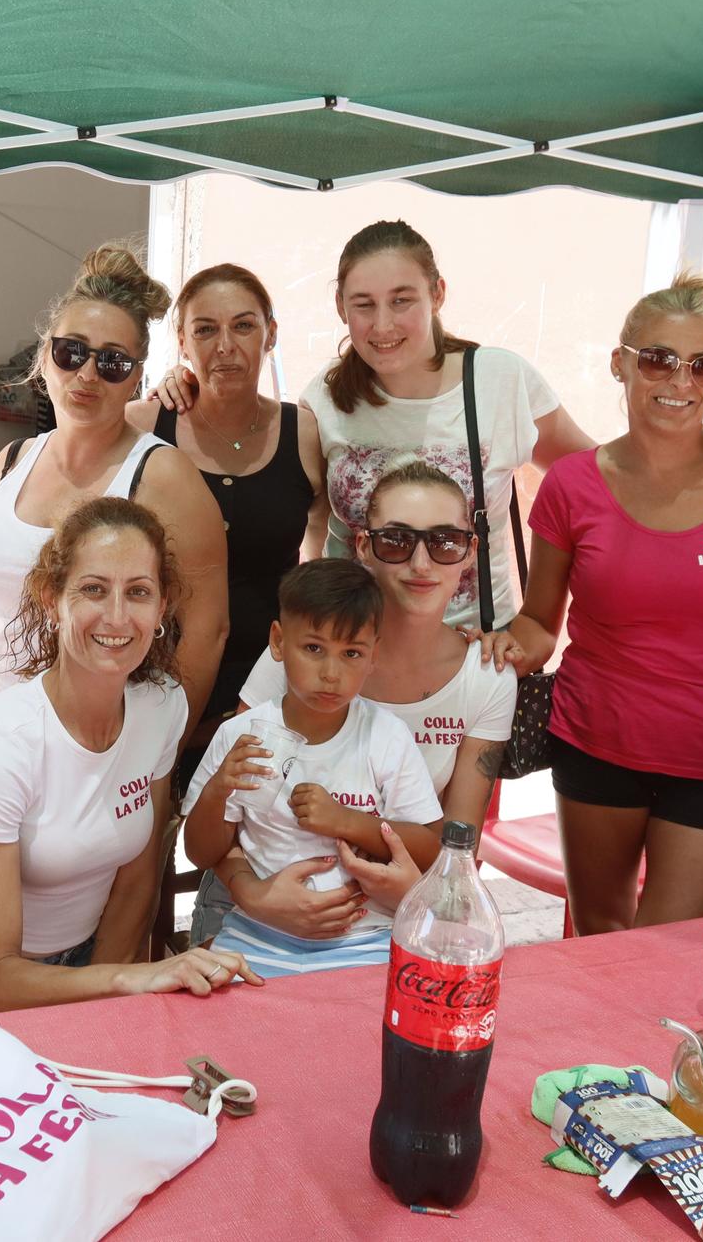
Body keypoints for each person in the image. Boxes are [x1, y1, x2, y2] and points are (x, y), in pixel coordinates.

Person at [153, 220, 703, 629]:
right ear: (341, 311)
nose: (383, 325)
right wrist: (179, 389)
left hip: (470, 658)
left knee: (453, 842)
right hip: (353, 652)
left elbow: (608, 470)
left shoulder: (500, 379)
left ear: (437, 294)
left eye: (402, 300)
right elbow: (307, 515)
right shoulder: (325, 397)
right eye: (363, 305)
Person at [480, 274, 703, 934]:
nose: (679, 379)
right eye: (657, 358)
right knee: (599, 940)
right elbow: (541, 621)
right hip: (594, 744)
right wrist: (509, 645)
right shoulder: (572, 485)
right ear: (620, 362)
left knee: (667, 947)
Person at [0, 244, 229, 796]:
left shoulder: (163, 478)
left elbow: (207, 630)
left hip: (95, 759)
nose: (88, 373)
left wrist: (157, 754)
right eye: (71, 352)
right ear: (44, 357)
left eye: (112, 362)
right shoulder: (13, 460)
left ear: (136, 378)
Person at [0, 497, 261, 1011]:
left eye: (138, 592)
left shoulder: (161, 707)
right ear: (50, 598)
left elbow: (137, 877)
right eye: (92, 589)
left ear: (162, 608)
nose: (116, 616)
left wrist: (112, 994)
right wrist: (135, 979)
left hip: (96, 967)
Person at [199, 460, 518, 943]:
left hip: (390, 909)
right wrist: (253, 894)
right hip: (257, 893)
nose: (421, 563)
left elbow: (455, 848)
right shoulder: (297, 650)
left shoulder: (487, 677)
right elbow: (238, 807)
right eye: (396, 540)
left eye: (445, 541)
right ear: (364, 546)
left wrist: (408, 891)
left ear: (470, 552)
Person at [184, 560, 439, 975]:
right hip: (257, 930)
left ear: (374, 654)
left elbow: (429, 847)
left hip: (368, 937)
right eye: (314, 648)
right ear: (279, 642)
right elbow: (200, 852)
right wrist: (217, 792)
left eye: (352, 653)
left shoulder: (385, 736)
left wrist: (346, 821)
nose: (331, 673)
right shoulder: (241, 736)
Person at [121, 264, 325, 783]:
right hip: (152, 673)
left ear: (271, 333)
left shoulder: (304, 432)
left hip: (267, 685)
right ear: (183, 343)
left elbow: (320, 558)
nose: (225, 345)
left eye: (244, 325)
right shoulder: (144, 425)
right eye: (206, 329)